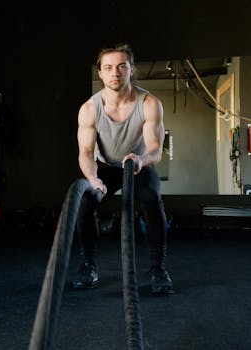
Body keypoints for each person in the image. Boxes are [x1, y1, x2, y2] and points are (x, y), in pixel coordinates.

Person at [73, 43, 174, 294]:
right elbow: (85, 154)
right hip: (105, 167)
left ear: (131, 70)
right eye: (108, 68)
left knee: (151, 199)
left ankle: (158, 268)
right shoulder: (89, 109)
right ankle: (89, 266)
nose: (114, 73)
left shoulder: (149, 103)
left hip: (137, 165)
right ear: (100, 73)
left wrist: (141, 160)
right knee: (85, 203)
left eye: (121, 67)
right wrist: (93, 178)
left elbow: (154, 148)